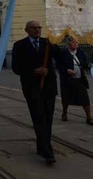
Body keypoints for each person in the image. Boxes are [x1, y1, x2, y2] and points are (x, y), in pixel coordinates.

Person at [12, 20, 59, 165]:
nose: (37, 30)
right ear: (27, 30)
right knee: (39, 117)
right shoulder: (19, 45)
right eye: (34, 28)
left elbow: (61, 57)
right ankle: (47, 151)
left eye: (39, 27)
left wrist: (65, 39)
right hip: (32, 87)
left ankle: (42, 146)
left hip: (49, 87)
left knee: (48, 117)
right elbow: (16, 68)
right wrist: (34, 71)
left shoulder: (48, 43)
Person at [57, 36, 93, 126]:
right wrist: (66, 70)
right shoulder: (63, 53)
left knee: (85, 98)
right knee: (66, 97)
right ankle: (64, 113)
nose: (75, 44)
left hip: (80, 79)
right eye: (73, 42)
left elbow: (84, 64)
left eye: (76, 42)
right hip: (67, 80)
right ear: (68, 43)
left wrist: (89, 66)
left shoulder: (80, 52)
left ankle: (89, 118)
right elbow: (59, 65)